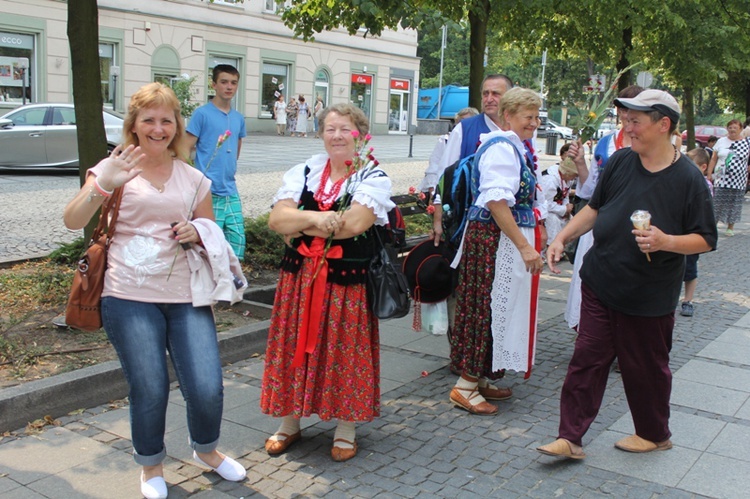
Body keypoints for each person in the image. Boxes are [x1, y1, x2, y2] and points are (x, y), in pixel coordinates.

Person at [63, 83, 246, 498]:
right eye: (149, 119)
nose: (158, 128)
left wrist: (196, 232)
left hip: (185, 295)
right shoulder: (112, 168)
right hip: (127, 295)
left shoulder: (195, 178)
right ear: (134, 125)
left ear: (177, 126)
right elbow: (73, 220)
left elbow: (211, 235)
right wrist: (103, 183)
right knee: (149, 384)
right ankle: (151, 466)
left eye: (167, 120)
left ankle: (207, 451)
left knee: (206, 384)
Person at [538, 89, 717, 460]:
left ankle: (654, 434)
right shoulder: (620, 161)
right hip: (601, 280)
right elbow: (597, 208)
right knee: (586, 358)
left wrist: (666, 240)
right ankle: (570, 437)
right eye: (625, 121)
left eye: (635, 122)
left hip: (648, 295)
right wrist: (563, 236)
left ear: (664, 124)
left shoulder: (689, 180)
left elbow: (705, 239)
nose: (627, 128)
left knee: (646, 369)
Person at [261, 103, 394, 461]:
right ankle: (290, 422)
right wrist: (321, 219)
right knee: (293, 346)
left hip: (344, 284)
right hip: (299, 280)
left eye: (345, 129)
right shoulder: (304, 170)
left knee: (343, 350)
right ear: (321, 134)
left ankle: (346, 428)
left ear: (360, 136)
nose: (337, 135)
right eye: (330, 128)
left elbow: (353, 225)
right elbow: (276, 220)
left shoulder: (372, 178)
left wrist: (300, 223)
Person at [448, 87, 546, 415]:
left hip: (498, 238)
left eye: (536, 116)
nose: (534, 122)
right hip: (493, 240)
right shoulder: (501, 148)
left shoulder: (514, 147)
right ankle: (465, 385)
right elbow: (495, 200)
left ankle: (481, 379)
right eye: (528, 116)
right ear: (507, 116)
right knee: (485, 308)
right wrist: (524, 246)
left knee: (497, 308)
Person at [564, 85, 643, 331]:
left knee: (629, 283)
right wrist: (580, 164)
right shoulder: (605, 144)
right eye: (621, 108)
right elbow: (590, 192)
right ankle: (592, 334)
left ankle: (626, 341)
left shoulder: (648, 143)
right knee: (592, 280)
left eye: (632, 108)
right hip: (602, 220)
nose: (625, 114)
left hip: (634, 223)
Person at [186, 64, 248, 260]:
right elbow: (185, 148)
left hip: (230, 190)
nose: (229, 87)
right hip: (208, 192)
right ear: (214, 85)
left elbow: (236, 148)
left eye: (233, 83)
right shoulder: (202, 114)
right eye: (224, 82)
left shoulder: (238, 118)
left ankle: (232, 285)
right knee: (210, 245)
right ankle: (211, 286)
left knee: (238, 242)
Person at [680, 147, 713, 317]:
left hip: (692, 234)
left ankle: (688, 299)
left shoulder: (704, 185)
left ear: (703, 167)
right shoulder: (682, 181)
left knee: (690, 269)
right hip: (678, 234)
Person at [417, 107, 479, 194]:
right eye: (461, 121)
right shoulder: (445, 140)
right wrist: (434, 191)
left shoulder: (479, 140)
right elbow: (434, 166)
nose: (463, 124)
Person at [706, 119, 750, 237]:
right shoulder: (721, 141)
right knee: (718, 201)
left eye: (735, 128)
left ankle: (731, 227)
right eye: (730, 127)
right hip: (721, 177)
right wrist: (709, 173)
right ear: (727, 129)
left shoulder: (746, 143)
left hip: (739, 179)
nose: (732, 130)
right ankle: (713, 225)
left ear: (741, 129)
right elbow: (714, 159)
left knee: (734, 203)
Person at [539, 143, 577, 249]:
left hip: (557, 207)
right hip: (545, 210)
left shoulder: (568, 178)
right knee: (553, 220)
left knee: (573, 221)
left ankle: (564, 248)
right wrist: (564, 209)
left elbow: (565, 196)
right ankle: (551, 248)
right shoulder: (550, 180)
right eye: (574, 175)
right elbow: (546, 204)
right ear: (567, 172)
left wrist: (567, 209)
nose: (575, 178)